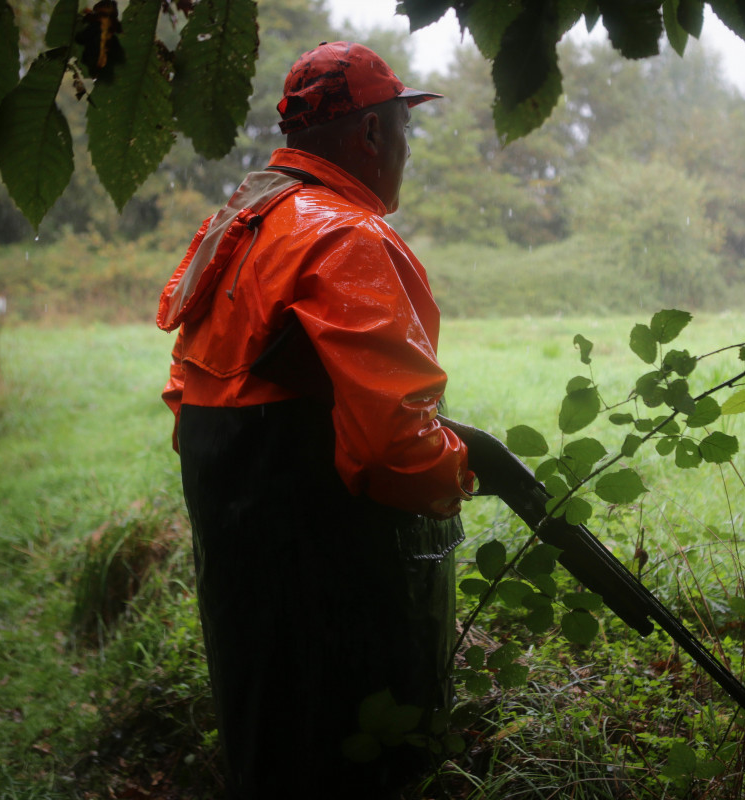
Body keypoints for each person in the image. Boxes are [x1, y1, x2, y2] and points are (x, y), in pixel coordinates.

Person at [156, 41, 473, 798]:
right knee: (349, 750)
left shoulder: (239, 221)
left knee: (267, 727)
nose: (404, 147)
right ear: (368, 134)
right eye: (402, 128)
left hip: (234, 522)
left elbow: (187, 386)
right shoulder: (346, 236)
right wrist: (458, 469)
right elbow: (397, 447)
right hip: (322, 549)